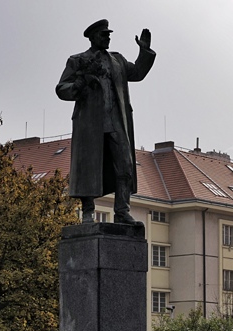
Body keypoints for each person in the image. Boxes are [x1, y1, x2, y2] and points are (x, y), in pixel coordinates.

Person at [56, 19, 156, 225]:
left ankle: (122, 211)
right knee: (89, 168)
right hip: (90, 124)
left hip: (117, 121)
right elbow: (61, 88)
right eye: (104, 34)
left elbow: (137, 73)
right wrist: (81, 82)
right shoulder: (78, 60)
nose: (108, 37)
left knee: (126, 166)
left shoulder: (117, 60)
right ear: (93, 37)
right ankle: (87, 212)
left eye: (109, 34)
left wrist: (145, 52)